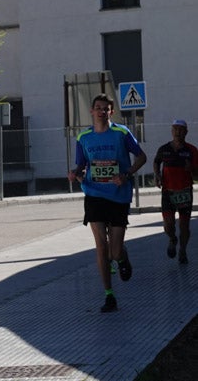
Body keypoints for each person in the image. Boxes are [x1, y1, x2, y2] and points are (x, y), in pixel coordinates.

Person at [69, 93, 146, 312]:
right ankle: (109, 295)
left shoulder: (122, 133)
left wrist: (127, 174)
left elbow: (141, 157)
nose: (102, 112)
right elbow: (81, 164)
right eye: (98, 108)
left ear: (111, 112)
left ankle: (122, 257)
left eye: (106, 108)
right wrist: (74, 173)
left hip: (118, 195)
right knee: (101, 246)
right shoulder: (83, 137)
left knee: (114, 251)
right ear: (92, 111)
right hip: (93, 194)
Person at [153, 119, 198, 264]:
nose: (178, 132)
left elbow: (197, 174)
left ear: (186, 132)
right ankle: (172, 238)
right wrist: (157, 175)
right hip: (168, 192)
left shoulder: (192, 150)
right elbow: (156, 161)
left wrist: (191, 169)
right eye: (175, 129)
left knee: (184, 225)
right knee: (168, 225)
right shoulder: (164, 149)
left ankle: (183, 250)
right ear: (171, 131)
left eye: (181, 129)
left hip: (185, 192)